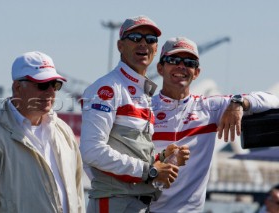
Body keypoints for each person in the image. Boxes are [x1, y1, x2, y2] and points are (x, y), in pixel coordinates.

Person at [150, 37, 279, 213]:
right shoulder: (144, 109)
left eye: (189, 62)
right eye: (173, 60)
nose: (181, 66)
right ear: (160, 68)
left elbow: (273, 100)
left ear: (196, 72)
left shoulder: (209, 107)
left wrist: (238, 102)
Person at [80, 15, 189, 213]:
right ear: (120, 46)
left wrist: (163, 158)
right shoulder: (107, 88)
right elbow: (91, 150)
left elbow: (130, 151)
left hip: (135, 202)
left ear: (156, 49)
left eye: (150, 40)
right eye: (136, 37)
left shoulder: (142, 92)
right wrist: (152, 170)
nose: (143, 44)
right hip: (114, 201)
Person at [0, 51, 85, 213]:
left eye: (55, 84)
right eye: (42, 85)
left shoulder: (64, 133)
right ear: (17, 87)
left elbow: (78, 199)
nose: (50, 92)